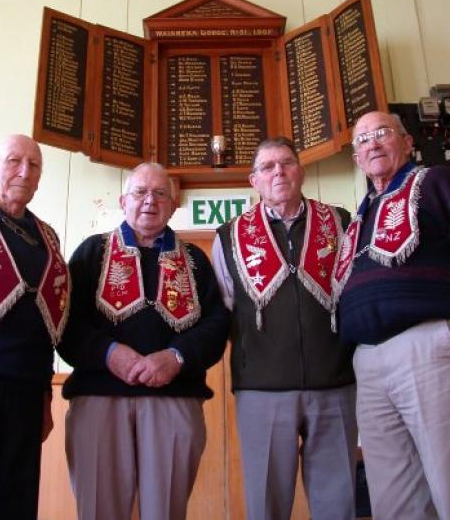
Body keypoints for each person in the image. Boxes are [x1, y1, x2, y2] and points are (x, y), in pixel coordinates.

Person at [58, 162, 230, 520]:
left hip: (173, 398)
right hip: (98, 398)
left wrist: (177, 356)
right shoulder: (92, 252)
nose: (149, 201)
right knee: (98, 510)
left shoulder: (195, 260)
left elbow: (216, 324)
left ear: (172, 204)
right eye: (140, 192)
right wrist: (108, 353)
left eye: (159, 193)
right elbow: (65, 322)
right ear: (123, 201)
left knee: (165, 510)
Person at [212, 136, 357, 520]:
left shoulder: (340, 221)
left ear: (301, 171)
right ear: (253, 180)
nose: (278, 171)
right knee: (266, 505)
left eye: (287, 163)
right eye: (267, 167)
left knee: (338, 503)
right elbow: (224, 310)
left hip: (336, 384)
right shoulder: (229, 236)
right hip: (262, 390)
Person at [333, 110, 450, 520]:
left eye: (382, 133)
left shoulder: (433, 182)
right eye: (362, 140)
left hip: (428, 348)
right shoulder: (358, 217)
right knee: (395, 499)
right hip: (369, 362)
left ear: (407, 142)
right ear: (356, 159)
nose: (372, 143)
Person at [0, 134, 70, 520]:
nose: (24, 171)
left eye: (33, 165)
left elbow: (46, 324)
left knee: (13, 508)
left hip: (23, 395)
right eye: (13, 161)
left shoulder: (48, 239)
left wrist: (43, 394)